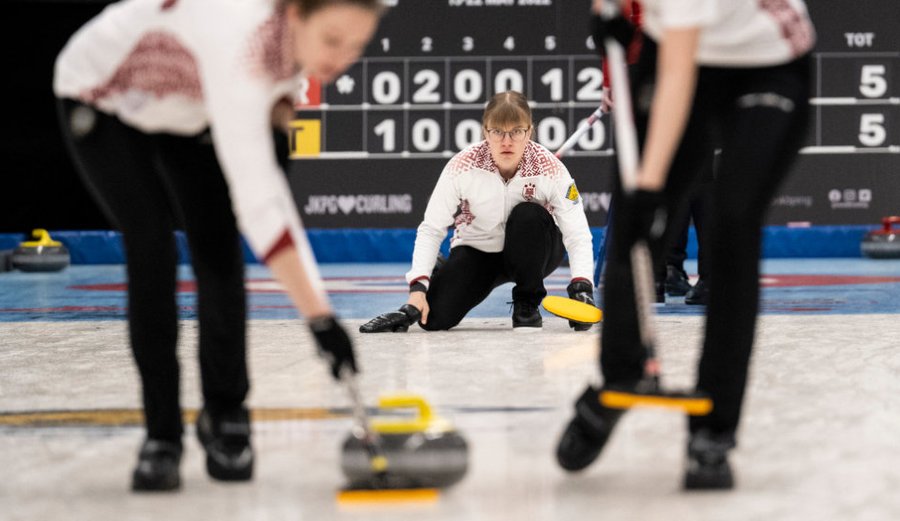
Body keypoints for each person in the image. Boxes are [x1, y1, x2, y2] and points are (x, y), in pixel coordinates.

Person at [53, 0, 383, 492]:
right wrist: (320, 318)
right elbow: (262, 207)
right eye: (332, 40)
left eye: (356, 47)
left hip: (190, 108)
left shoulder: (281, 48)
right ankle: (161, 436)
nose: (340, 59)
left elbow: (270, 188)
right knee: (152, 249)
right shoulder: (240, 43)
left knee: (218, 247)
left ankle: (226, 416)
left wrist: (279, 117)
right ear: (293, 14)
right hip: (103, 98)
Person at [557, 0, 814, 489]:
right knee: (634, 214)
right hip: (672, 45)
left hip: (768, 64)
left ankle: (713, 431)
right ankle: (620, 377)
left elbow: (679, 77)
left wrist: (651, 183)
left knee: (733, 222)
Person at [360, 91, 596, 333]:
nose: (507, 141)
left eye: (516, 131)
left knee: (528, 215)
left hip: (535, 253)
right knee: (432, 320)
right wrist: (418, 290)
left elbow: (577, 233)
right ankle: (442, 269)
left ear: (529, 131)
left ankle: (527, 303)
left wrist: (582, 287)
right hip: (479, 250)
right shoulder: (462, 166)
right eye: (498, 131)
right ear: (485, 131)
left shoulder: (551, 169)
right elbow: (431, 228)